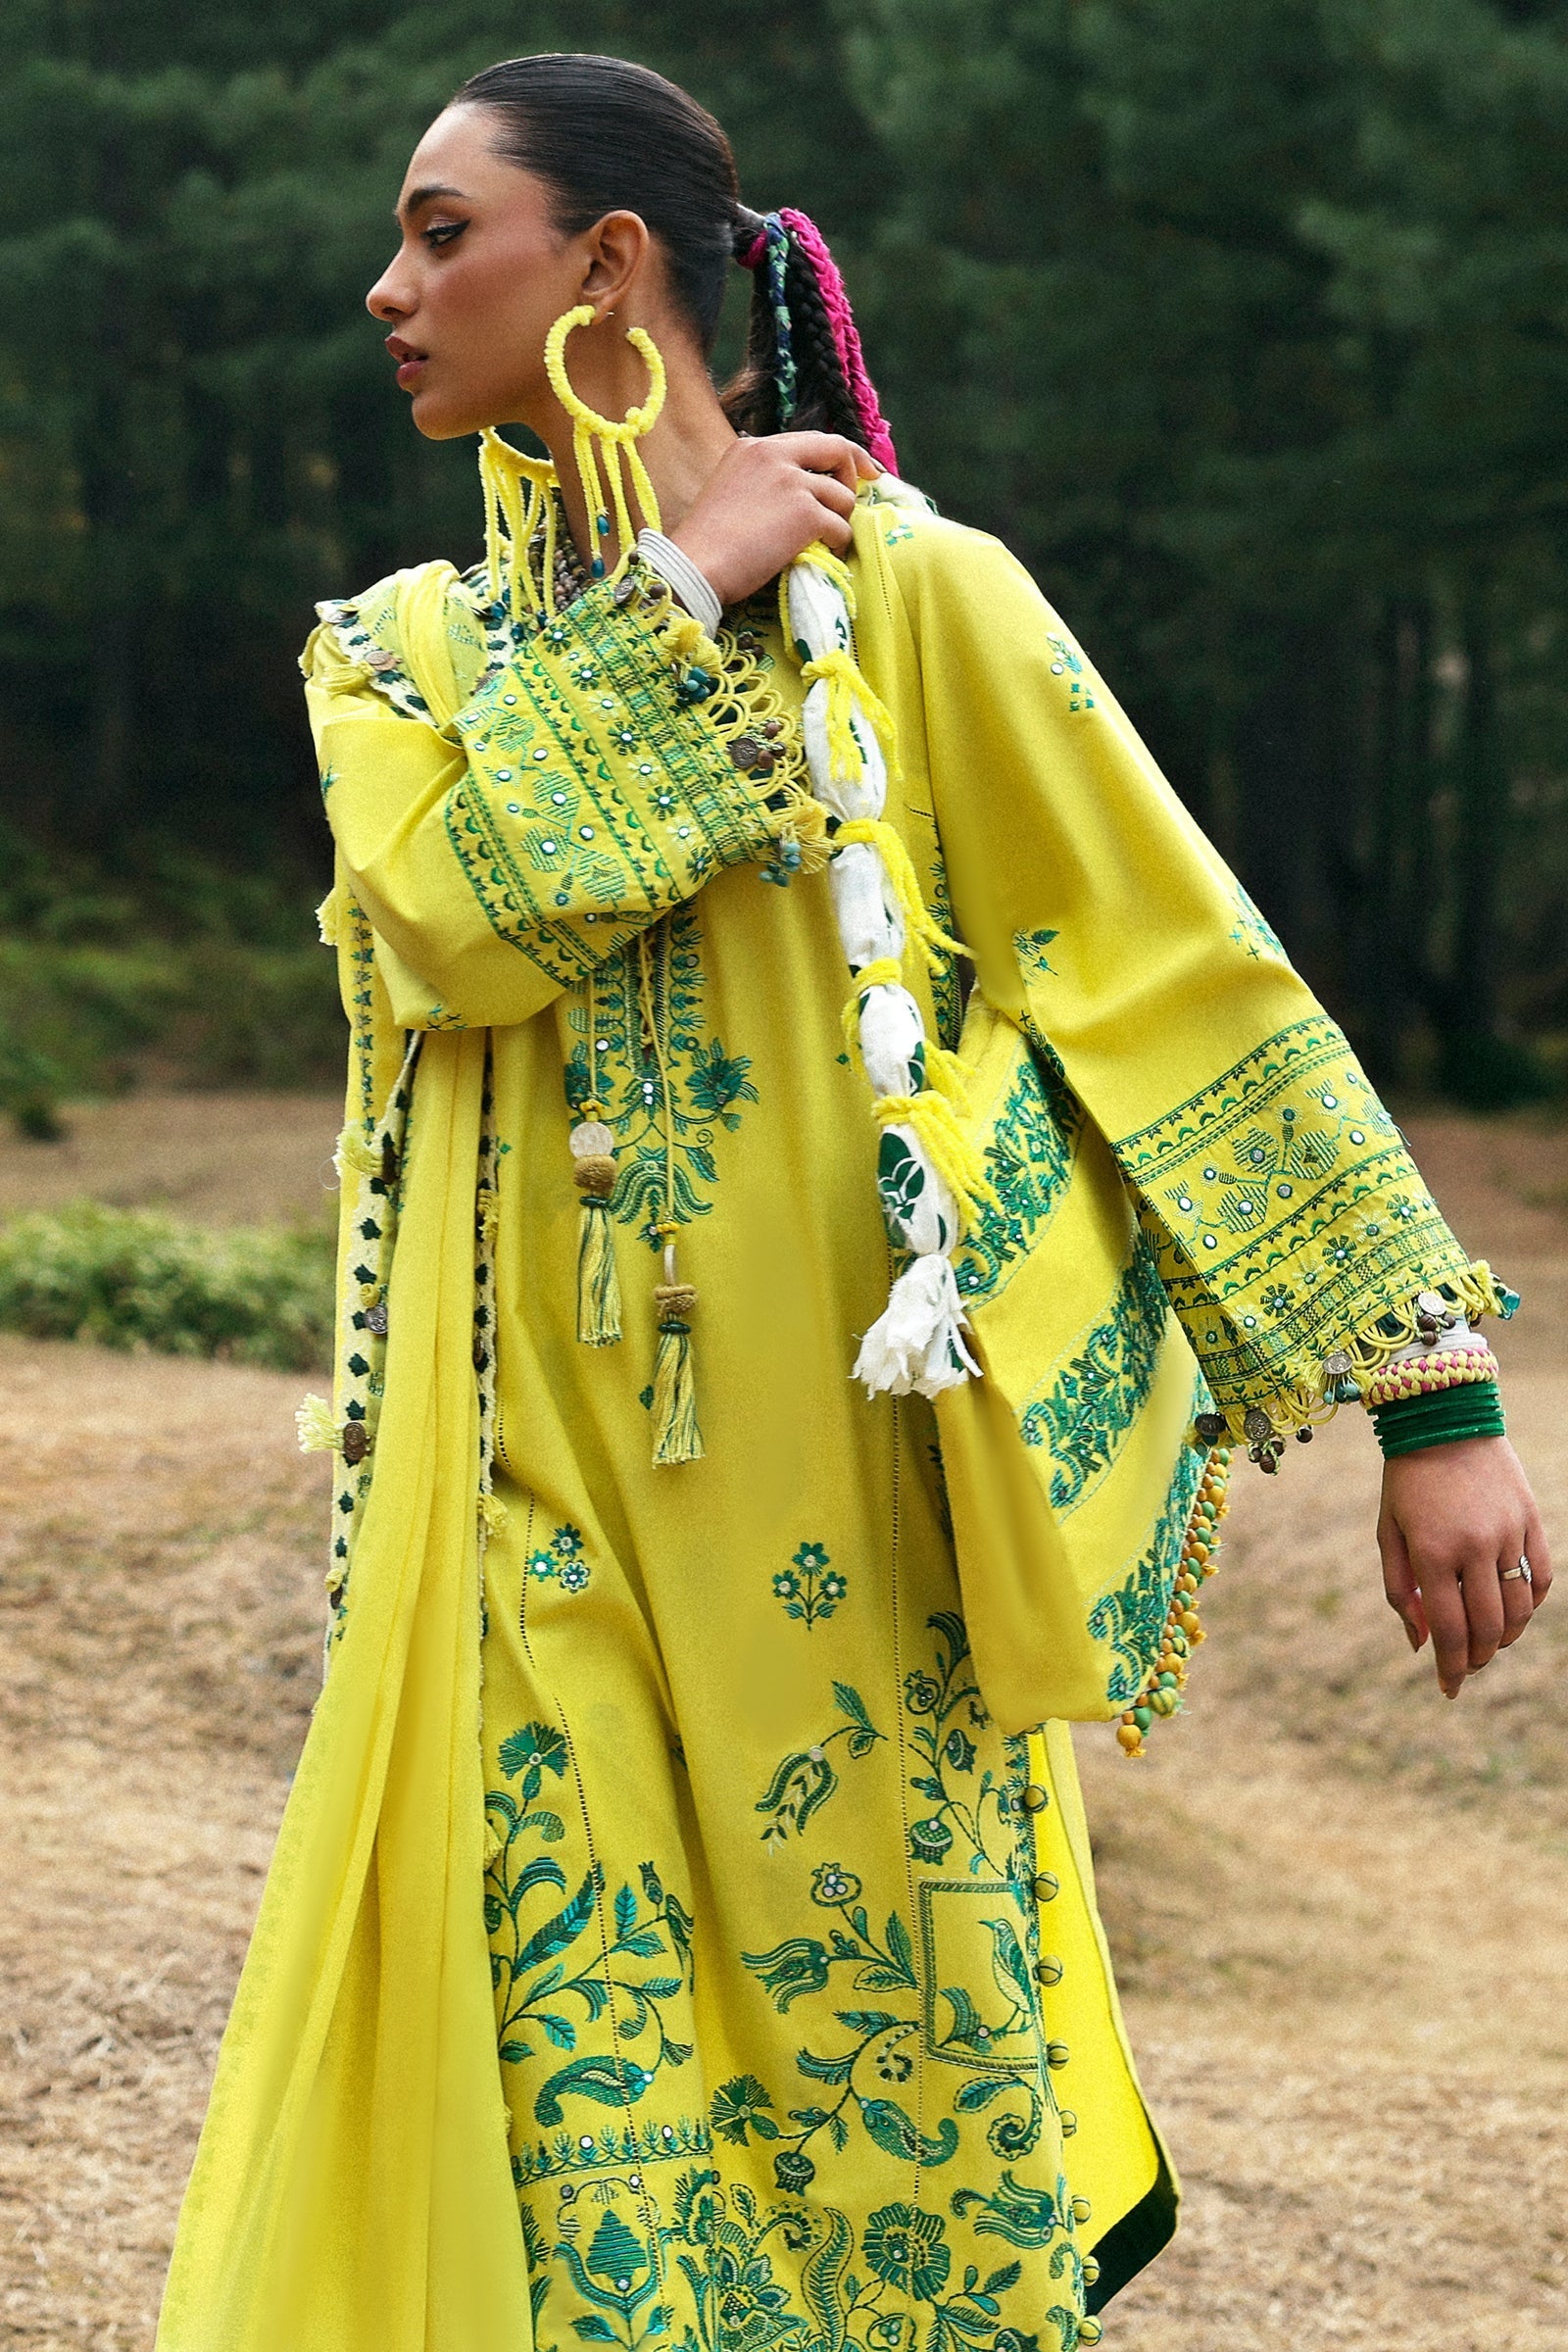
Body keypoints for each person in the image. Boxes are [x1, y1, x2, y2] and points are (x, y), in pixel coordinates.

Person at [155, 52, 1550, 2352]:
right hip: (516, 1516)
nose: (384, 289)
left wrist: (1433, 1404)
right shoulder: (398, 657)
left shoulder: (913, 602)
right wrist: (676, 587)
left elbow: (1172, 979)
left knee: (875, 2124)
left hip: (855, 1526)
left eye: (440, 232)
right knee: (577, 2142)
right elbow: (451, 919)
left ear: (607, 267)